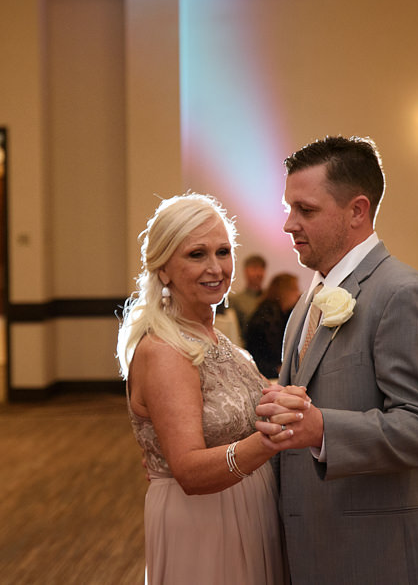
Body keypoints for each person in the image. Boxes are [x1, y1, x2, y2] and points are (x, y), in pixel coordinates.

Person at [253, 136, 418, 584]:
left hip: (379, 554)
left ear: (357, 211)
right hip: (316, 543)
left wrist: (322, 429)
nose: (289, 224)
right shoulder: (309, 300)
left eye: (305, 210)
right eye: (289, 209)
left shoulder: (403, 294)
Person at [118, 194, 297, 584]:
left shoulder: (219, 341)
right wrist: (269, 441)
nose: (215, 268)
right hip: (205, 520)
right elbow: (190, 472)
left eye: (222, 251)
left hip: (247, 508)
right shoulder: (165, 350)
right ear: (164, 269)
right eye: (196, 254)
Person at [244, 273, 300, 379]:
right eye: (294, 289)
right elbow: (267, 357)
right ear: (285, 292)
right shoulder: (269, 319)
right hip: (266, 372)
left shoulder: (274, 312)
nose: (298, 294)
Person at [229, 254, 267, 337]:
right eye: (254, 268)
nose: (258, 273)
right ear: (246, 271)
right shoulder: (235, 300)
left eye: (261, 268)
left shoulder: (269, 298)